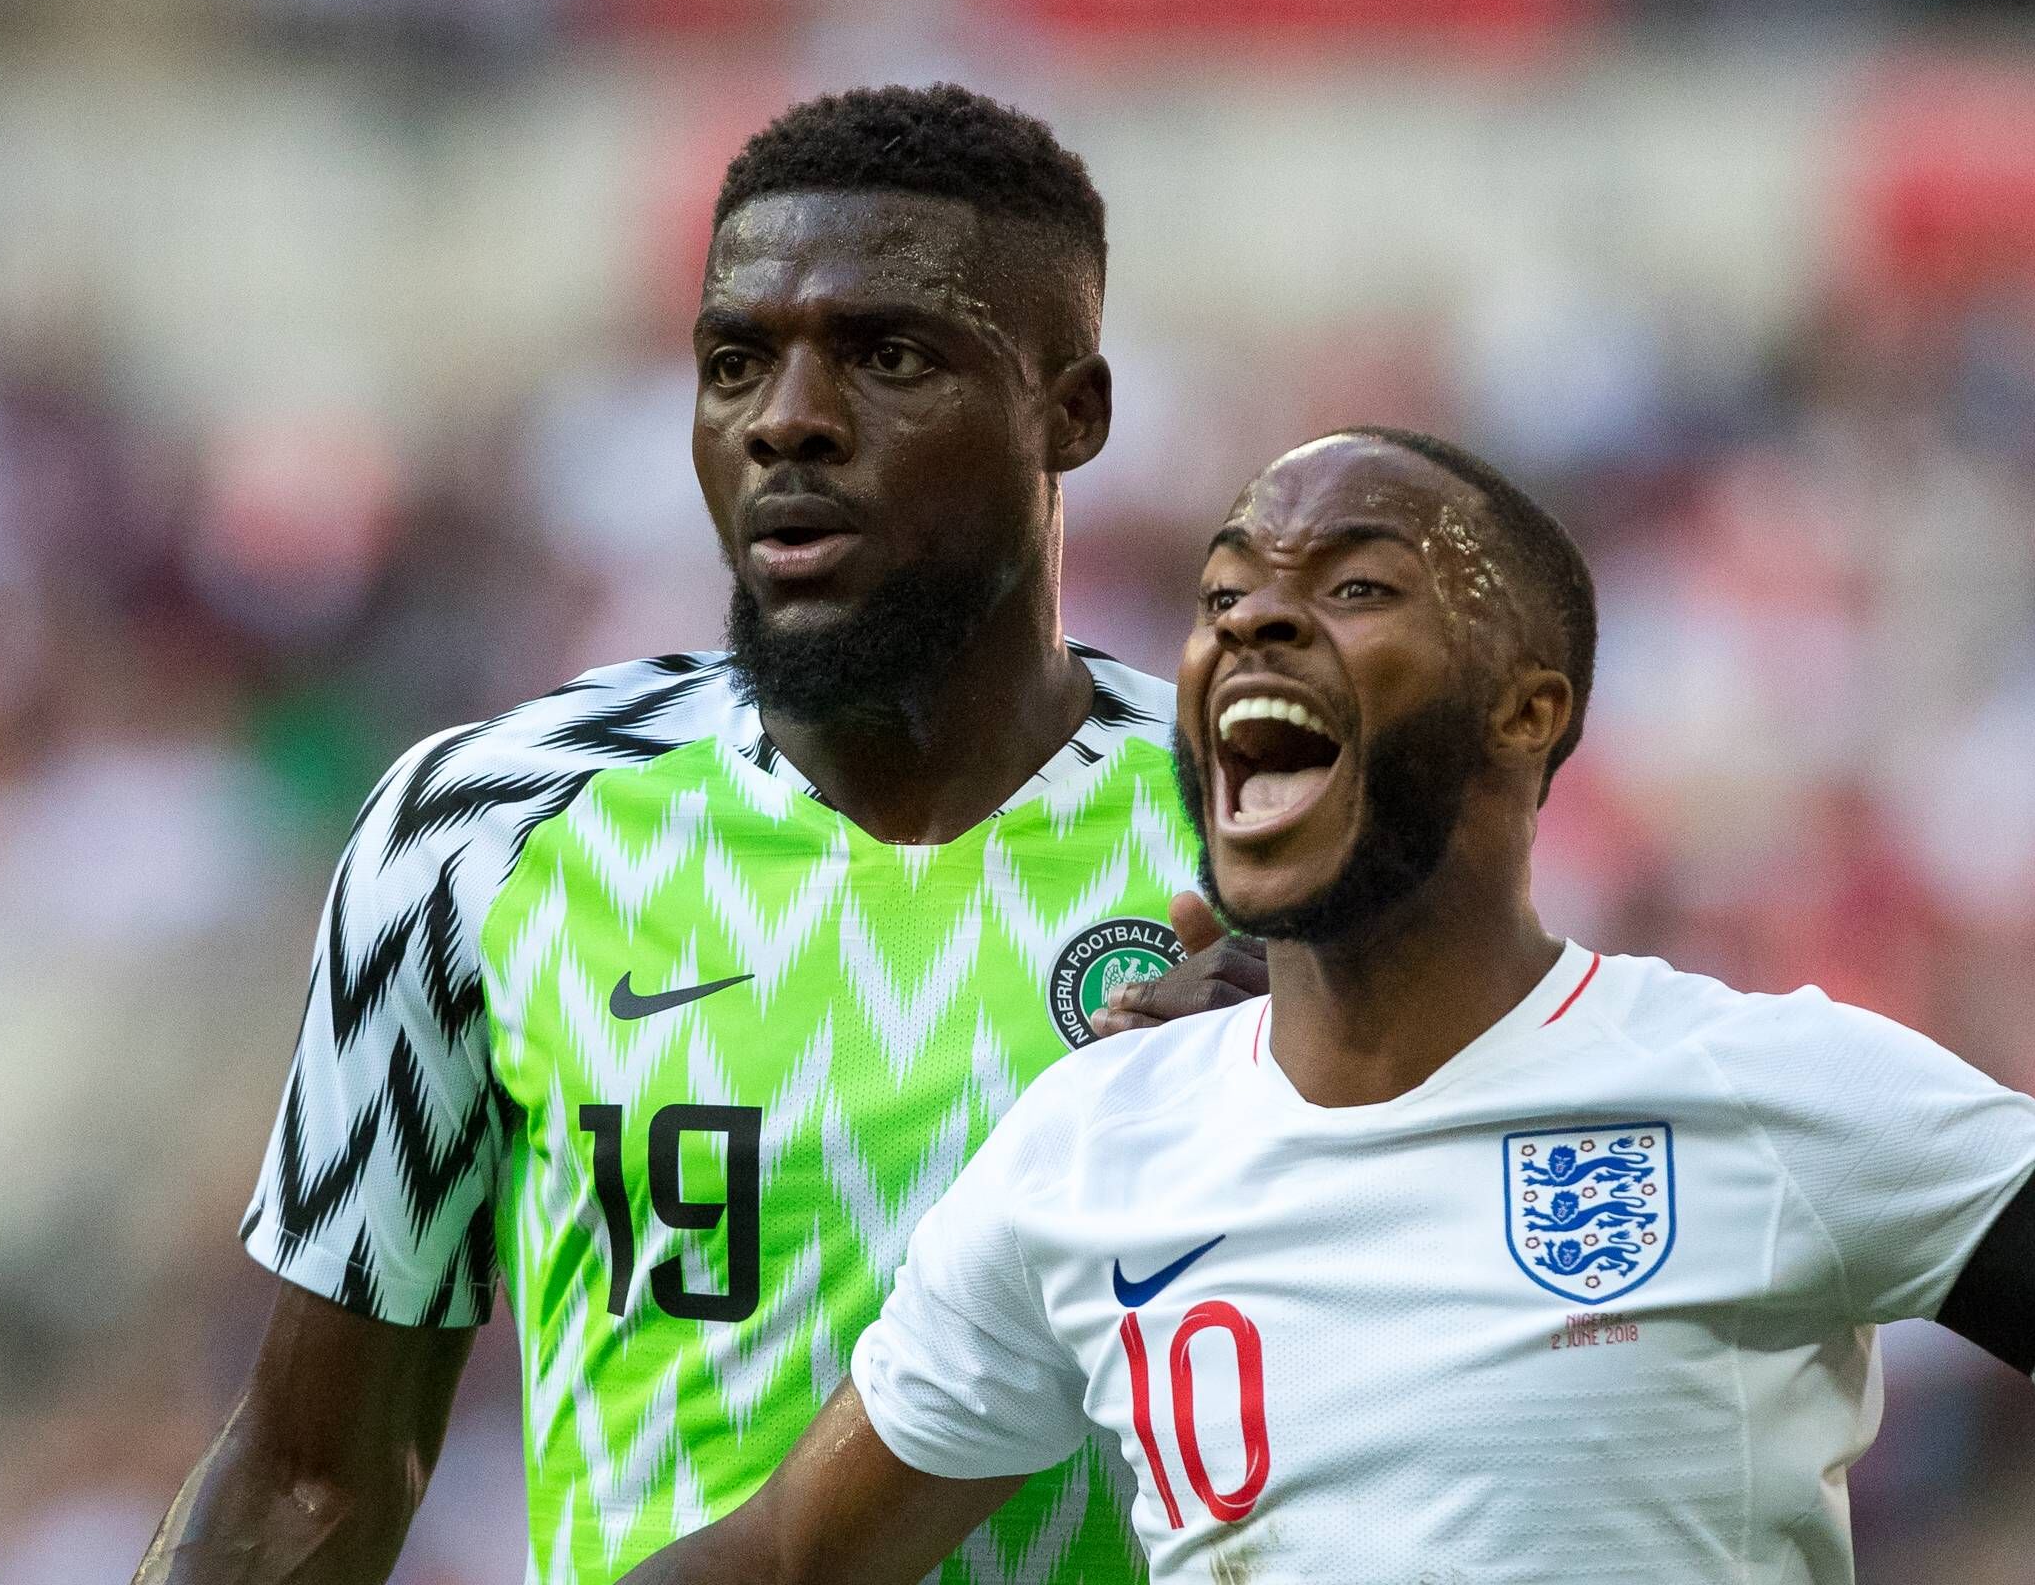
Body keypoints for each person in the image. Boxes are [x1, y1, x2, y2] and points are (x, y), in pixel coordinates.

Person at [623, 425, 2035, 1584]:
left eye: (1352, 589)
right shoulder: (1088, 1155)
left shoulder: (1777, 1098)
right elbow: (790, 1560)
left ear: (1528, 708)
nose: (1251, 627)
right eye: (1226, 594)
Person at [133, 84, 1260, 1585]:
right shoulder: (480, 833)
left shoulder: (1261, 836)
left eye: (888, 354)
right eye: (736, 361)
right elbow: (312, 1476)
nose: (786, 417)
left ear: (1074, 411)